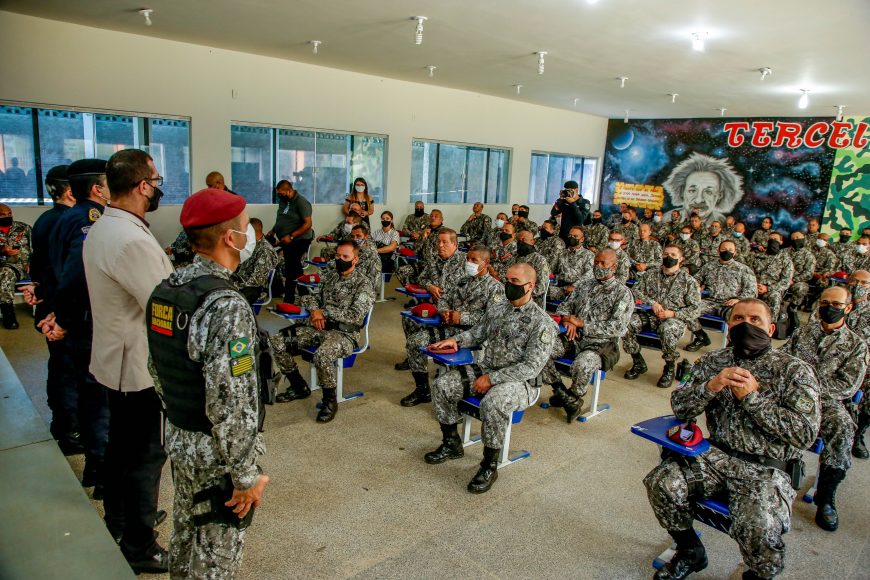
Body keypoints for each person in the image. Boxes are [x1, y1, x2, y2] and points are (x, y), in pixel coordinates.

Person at [644, 298, 820, 580]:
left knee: (760, 527)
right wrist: (712, 385)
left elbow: (805, 434)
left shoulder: (793, 371)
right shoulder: (715, 361)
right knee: (661, 483)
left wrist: (752, 400)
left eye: (755, 320)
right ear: (728, 325)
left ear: (771, 328)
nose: (746, 325)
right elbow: (681, 406)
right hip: (716, 456)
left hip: (766, 468)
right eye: (738, 319)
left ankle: (758, 574)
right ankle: (690, 550)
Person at [147, 188, 270, 578]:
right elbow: (232, 401)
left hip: (180, 436)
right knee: (216, 553)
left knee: (185, 534)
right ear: (229, 238)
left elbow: (157, 368)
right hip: (216, 454)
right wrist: (245, 474)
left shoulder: (167, 289)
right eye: (244, 226)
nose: (248, 233)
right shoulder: (225, 305)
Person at [82, 149, 174, 572]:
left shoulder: (104, 226)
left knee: (121, 449)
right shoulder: (132, 240)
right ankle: (140, 544)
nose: (156, 188)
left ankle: (119, 519)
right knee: (146, 456)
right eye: (154, 181)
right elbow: (162, 306)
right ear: (142, 186)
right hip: (137, 367)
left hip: (111, 358)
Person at [425, 263, 556, 493]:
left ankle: (488, 465)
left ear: (530, 286)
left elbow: (531, 368)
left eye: (515, 282)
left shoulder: (542, 323)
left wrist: (492, 379)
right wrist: (456, 340)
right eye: (507, 280)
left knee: (494, 402)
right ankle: (451, 443)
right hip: (487, 368)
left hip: (521, 383)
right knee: (443, 384)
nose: (508, 285)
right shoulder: (498, 309)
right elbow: (478, 332)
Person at [44, 158, 111, 498]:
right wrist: (67, 320)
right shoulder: (90, 220)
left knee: (87, 396)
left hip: (73, 319)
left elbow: (50, 269)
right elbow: (77, 276)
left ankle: (93, 467)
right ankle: (101, 472)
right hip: (86, 324)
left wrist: (54, 311)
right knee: (98, 400)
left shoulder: (60, 218)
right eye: (108, 181)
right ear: (96, 188)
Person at [780, 286, 868, 531]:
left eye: (837, 305)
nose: (829, 308)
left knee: (842, 426)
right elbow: (782, 359)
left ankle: (826, 497)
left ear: (848, 308)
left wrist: (810, 389)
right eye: (825, 302)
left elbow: (847, 386)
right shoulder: (803, 332)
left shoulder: (855, 345)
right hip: (791, 395)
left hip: (826, 402)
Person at [270, 241, 375, 422]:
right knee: (277, 341)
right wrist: (314, 311)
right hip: (317, 327)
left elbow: (355, 315)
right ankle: (298, 386)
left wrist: (324, 312)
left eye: (345, 257)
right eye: (338, 256)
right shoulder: (330, 276)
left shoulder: (363, 284)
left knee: (322, 355)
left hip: (344, 334)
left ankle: (329, 401)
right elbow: (311, 297)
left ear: (355, 259)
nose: (340, 260)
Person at [21, 165, 80, 453]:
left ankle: (61, 424)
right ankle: (70, 431)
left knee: (59, 367)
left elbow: (40, 265)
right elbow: (66, 272)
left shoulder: (45, 219)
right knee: (69, 370)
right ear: (70, 190)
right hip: (60, 309)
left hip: (49, 303)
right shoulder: (71, 221)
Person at [550, 249, 633, 421]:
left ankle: (574, 395)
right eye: (596, 262)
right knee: (543, 351)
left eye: (603, 263)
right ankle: (562, 392)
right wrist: (567, 320)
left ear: (614, 267)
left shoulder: (622, 293)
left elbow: (618, 327)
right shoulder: (584, 284)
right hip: (573, 337)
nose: (598, 266)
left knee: (583, 364)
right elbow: (564, 307)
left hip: (601, 344)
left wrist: (583, 324)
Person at [396, 231, 477, 404]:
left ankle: (427, 357)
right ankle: (419, 372)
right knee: (409, 319)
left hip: (459, 318)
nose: (440, 245)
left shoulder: (467, 262)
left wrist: (455, 313)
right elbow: (422, 277)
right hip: (441, 308)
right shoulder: (435, 259)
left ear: (455, 244)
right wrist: (430, 286)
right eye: (438, 242)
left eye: (445, 242)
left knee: (417, 340)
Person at [623, 245, 702, 388]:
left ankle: (669, 367)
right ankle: (638, 361)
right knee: (627, 323)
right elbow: (635, 291)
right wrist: (652, 303)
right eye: (666, 254)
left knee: (667, 328)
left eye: (673, 254)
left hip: (674, 319)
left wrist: (673, 313)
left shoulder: (688, 281)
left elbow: (695, 309)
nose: (669, 257)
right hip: (651, 315)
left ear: (681, 259)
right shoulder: (651, 274)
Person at [686, 239, 757, 352]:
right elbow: (695, 280)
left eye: (730, 250)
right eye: (723, 249)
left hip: (730, 304)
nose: (726, 252)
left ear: (735, 252)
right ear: (718, 251)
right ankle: (701, 337)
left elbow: (752, 290)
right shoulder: (709, 266)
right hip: (710, 301)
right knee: (687, 311)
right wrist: (697, 286)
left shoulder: (743, 269)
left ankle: (732, 346)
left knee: (738, 319)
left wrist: (738, 299)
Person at [662, 152, 744, 224]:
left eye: (708, 192)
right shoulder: (666, 219)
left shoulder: (723, 224)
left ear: (719, 196)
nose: (698, 200)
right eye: (692, 191)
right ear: (682, 192)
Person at [272, 180, 313, 304]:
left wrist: (290, 236)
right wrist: (273, 230)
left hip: (299, 239)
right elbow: (281, 219)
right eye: (278, 193)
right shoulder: (283, 201)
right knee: (295, 268)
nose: (279, 195)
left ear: (289, 190)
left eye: (281, 193)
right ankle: (304, 293)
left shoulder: (301, 202)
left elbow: (308, 224)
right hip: (286, 240)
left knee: (291, 268)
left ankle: (289, 299)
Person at [847, 270, 870, 459]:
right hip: (832, 362)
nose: (858, 286)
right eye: (855, 281)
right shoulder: (834, 305)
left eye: (864, 283)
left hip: (864, 363)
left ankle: (858, 434)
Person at [0, 203, 32, 329]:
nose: (7, 216)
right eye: (3, 215)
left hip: (22, 266)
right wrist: (2, 250)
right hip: (3, 266)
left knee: (6, 273)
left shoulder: (24, 228)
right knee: (5, 272)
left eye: (9, 214)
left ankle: (8, 314)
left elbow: (37, 246)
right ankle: (8, 314)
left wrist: (33, 262)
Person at [749, 232, 794, 321]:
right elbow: (748, 273)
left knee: (775, 297)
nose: (773, 241)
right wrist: (754, 285)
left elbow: (786, 281)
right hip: (754, 287)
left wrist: (767, 288)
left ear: (781, 242)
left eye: (776, 239)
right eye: (770, 239)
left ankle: (770, 325)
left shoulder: (785, 259)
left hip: (772, 290)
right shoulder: (757, 256)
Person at [234, 217, 279, 305]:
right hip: (243, 282)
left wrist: (236, 286)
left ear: (251, 231)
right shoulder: (252, 245)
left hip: (252, 288)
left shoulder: (265, 250)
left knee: (230, 300)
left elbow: (257, 280)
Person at [547, 226, 594, 303]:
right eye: (570, 235)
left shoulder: (589, 255)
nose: (572, 238)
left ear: (582, 239)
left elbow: (589, 274)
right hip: (558, 287)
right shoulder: (561, 253)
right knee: (538, 292)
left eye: (575, 236)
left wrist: (574, 286)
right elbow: (551, 269)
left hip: (576, 289)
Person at [511, 229, 550, 308]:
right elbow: (507, 277)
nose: (521, 242)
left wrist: (521, 293)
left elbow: (541, 287)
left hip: (531, 300)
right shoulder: (515, 257)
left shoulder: (539, 260)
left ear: (532, 242)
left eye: (524, 240)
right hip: (511, 296)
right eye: (519, 240)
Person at [786, 231, 815, 312]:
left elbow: (808, 273)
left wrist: (794, 280)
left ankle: (793, 307)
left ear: (804, 238)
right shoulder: (783, 252)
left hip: (797, 281)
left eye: (798, 238)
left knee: (801, 288)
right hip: (781, 279)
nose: (795, 240)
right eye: (793, 238)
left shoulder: (808, 255)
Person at [349, 224, 382, 290]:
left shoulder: (372, 255)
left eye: (358, 236)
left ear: (366, 237)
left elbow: (372, 281)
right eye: (352, 236)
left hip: (361, 287)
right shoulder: (350, 249)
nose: (355, 239)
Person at [372, 210, 400, 280]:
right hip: (375, 257)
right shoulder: (376, 232)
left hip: (387, 259)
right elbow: (370, 244)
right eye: (383, 219)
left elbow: (392, 247)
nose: (385, 220)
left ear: (391, 220)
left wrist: (376, 250)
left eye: (387, 218)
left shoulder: (395, 233)